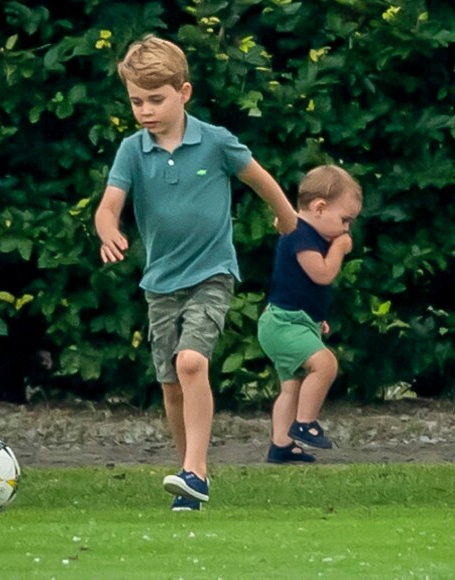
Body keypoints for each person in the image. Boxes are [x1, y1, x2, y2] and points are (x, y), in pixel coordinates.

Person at [94, 35, 297, 510]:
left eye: (156, 99)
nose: (145, 110)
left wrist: (288, 220)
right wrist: (108, 231)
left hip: (212, 274)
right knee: (171, 385)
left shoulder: (216, 142)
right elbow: (109, 207)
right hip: (160, 285)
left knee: (191, 362)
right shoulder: (131, 151)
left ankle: (196, 471)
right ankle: (189, 476)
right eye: (136, 101)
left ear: (183, 93)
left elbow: (260, 178)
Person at [257, 165, 362, 464]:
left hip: (292, 321)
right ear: (319, 208)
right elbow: (322, 274)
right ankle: (305, 424)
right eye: (344, 221)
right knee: (325, 364)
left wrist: (316, 317)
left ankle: (281, 445)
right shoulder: (299, 235)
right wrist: (340, 248)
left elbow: (299, 286)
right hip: (283, 323)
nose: (346, 230)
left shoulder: (305, 235)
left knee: (291, 387)